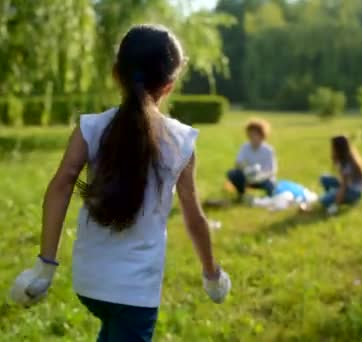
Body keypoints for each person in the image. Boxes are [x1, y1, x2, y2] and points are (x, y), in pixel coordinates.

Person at [9, 25, 230, 342]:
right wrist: (211, 274)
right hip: (134, 292)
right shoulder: (181, 141)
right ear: (169, 86)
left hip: (89, 282)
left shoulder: (91, 127)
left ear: (116, 74)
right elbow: (193, 215)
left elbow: (61, 184)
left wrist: (45, 266)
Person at [226, 118, 277, 198]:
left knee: (270, 186)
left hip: (264, 179)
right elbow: (238, 163)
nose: (252, 136)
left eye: (255, 134)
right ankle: (241, 195)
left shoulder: (268, 150)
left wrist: (260, 176)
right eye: (250, 133)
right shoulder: (244, 147)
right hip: (249, 177)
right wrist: (246, 170)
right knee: (232, 173)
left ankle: (269, 198)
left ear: (262, 135)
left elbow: (272, 170)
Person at [319, 135, 362, 215]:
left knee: (323, 201)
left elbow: (343, 186)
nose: (331, 149)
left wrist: (335, 205)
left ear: (339, 149)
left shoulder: (347, 164)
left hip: (353, 192)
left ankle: (343, 200)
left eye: (333, 147)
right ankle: (332, 196)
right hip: (349, 187)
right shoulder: (344, 159)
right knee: (324, 178)